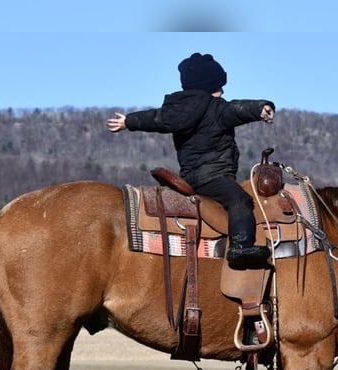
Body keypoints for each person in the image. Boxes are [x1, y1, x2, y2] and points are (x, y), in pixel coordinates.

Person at [106, 52, 276, 270]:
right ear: (208, 87)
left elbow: (155, 119)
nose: (222, 91)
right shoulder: (217, 109)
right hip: (213, 177)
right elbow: (237, 109)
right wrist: (261, 107)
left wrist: (128, 121)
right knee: (240, 200)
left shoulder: (176, 110)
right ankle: (241, 247)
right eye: (218, 87)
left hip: (190, 176)